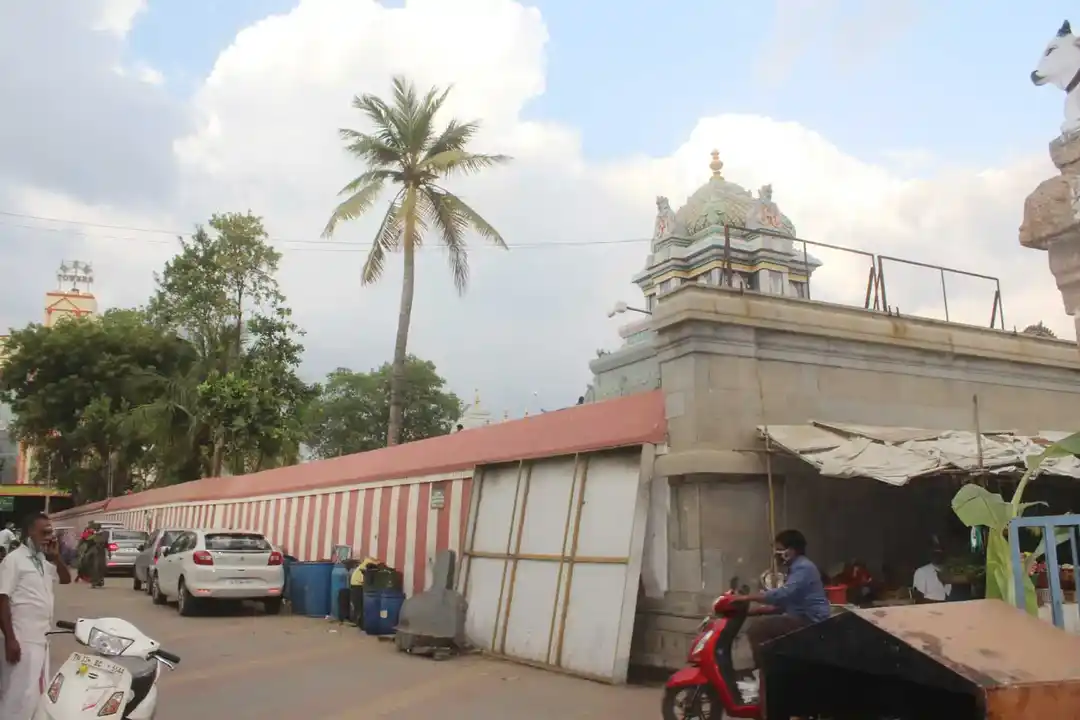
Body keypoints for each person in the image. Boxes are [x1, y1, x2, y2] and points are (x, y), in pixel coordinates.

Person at [733, 530, 830, 716]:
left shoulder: (803, 568)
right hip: (801, 619)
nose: (776, 554)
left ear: (791, 551)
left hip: (811, 623)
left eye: (779, 550)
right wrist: (748, 611)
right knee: (763, 624)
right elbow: (784, 604)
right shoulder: (796, 569)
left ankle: (764, 674)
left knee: (758, 629)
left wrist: (748, 597)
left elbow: (782, 595)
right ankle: (770, 674)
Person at [0, 513, 71, 719]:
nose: (49, 537)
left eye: (51, 532)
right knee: (17, 695)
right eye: (44, 532)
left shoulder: (41, 560)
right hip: (23, 639)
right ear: (30, 532)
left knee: (36, 694)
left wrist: (56, 557)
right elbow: (2, 600)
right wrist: (10, 640)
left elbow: (65, 579)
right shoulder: (14, 560)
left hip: (41, 639)